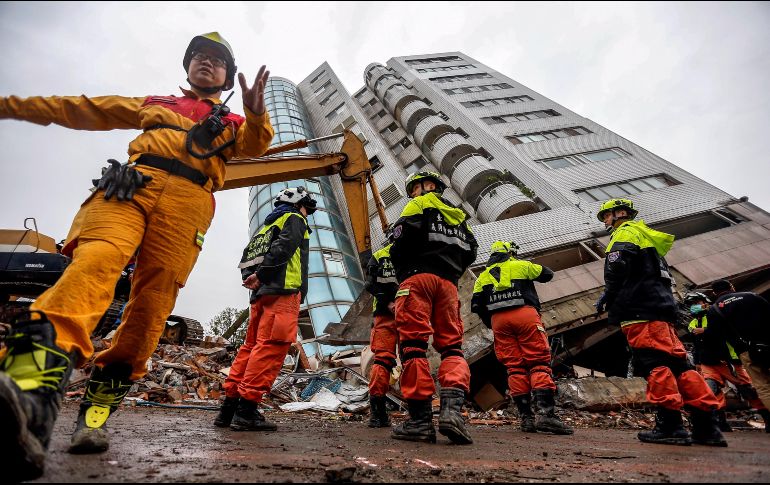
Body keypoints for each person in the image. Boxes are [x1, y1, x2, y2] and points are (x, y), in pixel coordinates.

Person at [0, 32, 274, 480]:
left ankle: (93, 419)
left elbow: (256, 146)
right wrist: (9, 104)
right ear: (187, 67)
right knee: (94, 264)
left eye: (217, 60)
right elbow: (81, 107)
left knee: (151, 309)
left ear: (227, 75)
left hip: (189, 205)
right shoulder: (155, 103)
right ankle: (28, 390)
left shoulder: (236, 123)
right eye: (199, 57)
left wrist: (257, 111)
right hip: (131, 187)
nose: (207, 63)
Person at [594, 198, 725, 447]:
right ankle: (707, 427)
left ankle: (670, 426)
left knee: (655, 364)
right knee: (680, 366)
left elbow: (617, 267)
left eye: (606, 216)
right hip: (660, 311)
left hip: (639, 311)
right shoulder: (647, 238)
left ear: (619, 213)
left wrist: (609, 296)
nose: (605, 222)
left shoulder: (626, 232)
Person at [215, 186, 316, 431]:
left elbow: (245, 260)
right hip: (282, 293)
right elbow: (284, 249)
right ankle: (247, 411)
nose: (306, 213)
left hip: (260, 297)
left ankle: (228, 410)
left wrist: (255, 278)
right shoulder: (294, 218)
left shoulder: (264, 229)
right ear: (299, 203)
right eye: (306, 207)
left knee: (250, 348)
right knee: (271, 347)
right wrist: (263, 275)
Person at [388, 170, 478, 445]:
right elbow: (471, 250)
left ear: (418, 188)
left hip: (418, 280)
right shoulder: (458, 215)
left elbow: (401, 242)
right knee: (452, 347)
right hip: (448, 285)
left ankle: (420, 421)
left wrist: (397, 251)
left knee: (413, 346)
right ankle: (452, 414)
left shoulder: (417, 204)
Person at [471, 240, 572, 435]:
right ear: (510, 253)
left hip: (499, 321)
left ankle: (526, 419)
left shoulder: (482, 277)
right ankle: (546, 416)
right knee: (538, 363)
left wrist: (492, 322)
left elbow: (476, 306)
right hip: (524, 314)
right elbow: (547, 274)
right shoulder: (521, 265)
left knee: (515, 368)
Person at [685, 291, 770, 432]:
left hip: (729, 360)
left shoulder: (717, 314)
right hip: (708, 362)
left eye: (697, 303)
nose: (694, 306)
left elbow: (722, 333)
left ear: (705, 302)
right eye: (692, 305)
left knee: (748, 390)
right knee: (712, 390)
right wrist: (698, 362)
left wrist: (705, 331)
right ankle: (720, 422)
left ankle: (767, 416)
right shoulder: (693, 323)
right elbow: (697, 344)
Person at [704, 279, 770, 421]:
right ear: (731, 287)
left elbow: (715, 335)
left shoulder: (715, 309)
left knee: (763, 385)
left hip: (747, 351)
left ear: (714, 293)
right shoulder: (752, 296)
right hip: (767, 342)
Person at [364, 228, 399, 428]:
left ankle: (377, 414)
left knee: (382, 360)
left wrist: (386, 303)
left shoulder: (378, 256)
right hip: (408, 312)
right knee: (414, 356)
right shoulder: (411, 253)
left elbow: (370, 285)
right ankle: (419, 414)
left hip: (384, 315)